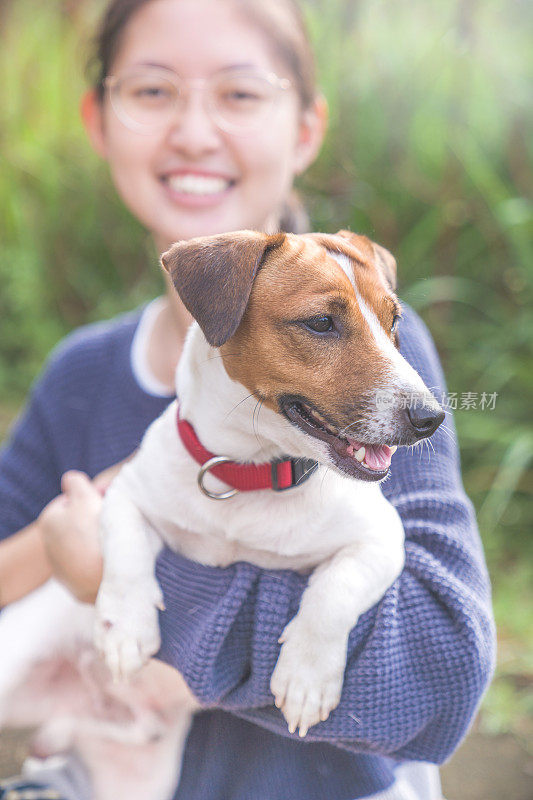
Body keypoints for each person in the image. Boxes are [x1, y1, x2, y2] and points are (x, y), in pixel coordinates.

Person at [0, 1, 495, 799]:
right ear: (96, 119)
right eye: (152, 91)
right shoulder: (79, 376)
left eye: (240, 93)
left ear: (305, 127)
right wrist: (77, 539)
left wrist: (116, 585)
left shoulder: (382, 380)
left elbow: (441, 676)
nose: (195, 132)